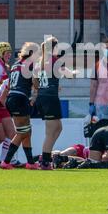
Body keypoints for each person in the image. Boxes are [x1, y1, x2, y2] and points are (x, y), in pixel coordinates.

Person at [33, 36, 77, 170]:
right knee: (50, 132)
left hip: (44, 97)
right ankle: (45, 160)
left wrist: (43, 88)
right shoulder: (55, 61)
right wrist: (75, 71)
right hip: (50, 98)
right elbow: (70, 75)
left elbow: (35, 81)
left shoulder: (40, 62)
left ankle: (45, 156)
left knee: (57, 128)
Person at [1, 42, 41, 170]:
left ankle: (30, 162)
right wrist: (41, 87)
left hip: (12, 98)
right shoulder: (30, 64)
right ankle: (6, 161)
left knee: (26, 131)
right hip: (20, 98)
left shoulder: (15, 64)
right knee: (22, 132)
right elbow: (35, 83)